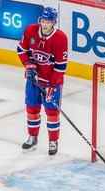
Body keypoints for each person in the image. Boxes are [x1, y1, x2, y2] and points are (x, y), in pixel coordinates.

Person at [17, 7, 68, 156]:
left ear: (54, 23)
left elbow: (60, 66)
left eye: (48, 22)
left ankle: (53, 141)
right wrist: (29, 65)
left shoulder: (60, 38)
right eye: (43, 21)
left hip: (52, 83)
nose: (45, 24)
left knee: (52, 112)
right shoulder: (30, 30)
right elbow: (21, 50)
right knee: (32, 109)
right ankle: (33, 137)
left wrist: (52, 86)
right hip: (33, 80)